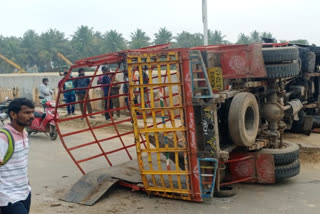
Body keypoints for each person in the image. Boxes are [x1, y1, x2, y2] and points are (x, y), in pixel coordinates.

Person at [0, 98, 35, 214]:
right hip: (8, 197)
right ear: (13, 115)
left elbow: (21, 162)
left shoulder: (24, 133)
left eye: (32, 112)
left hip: (25, 192)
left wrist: (27, 183)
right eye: (27, 113)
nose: (32, 116)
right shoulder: (3, 137)